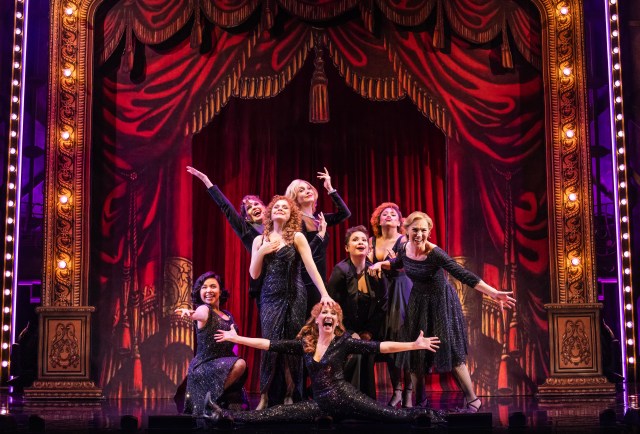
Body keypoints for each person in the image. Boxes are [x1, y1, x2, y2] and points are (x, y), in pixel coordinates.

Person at [368, 211, 516, 412]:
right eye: (415, 230)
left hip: (441, 304)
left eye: (423, 230)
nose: (419, 234)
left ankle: (473, 400)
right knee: (416, 351)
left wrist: (494, 293)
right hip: (418, 303)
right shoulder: (403, 248)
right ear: (407, 231)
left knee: (450, 349)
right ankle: (420, 405)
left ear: (429, 232)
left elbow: (463, 274)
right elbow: (397, 263)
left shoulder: (435, 253)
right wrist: (380, 263)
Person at [207, 302, 442, 425]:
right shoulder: (305, 344)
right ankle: (225, 415)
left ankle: (429, 415)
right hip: (321, 405)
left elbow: (381, 347)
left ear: (336, 320)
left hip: (347, 398)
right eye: (324, 313)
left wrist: (414, 345)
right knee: (275, 413)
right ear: (317, 319)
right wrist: (237, 338)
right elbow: (269, 343)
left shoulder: (345, 342)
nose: (328, 315)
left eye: (333, 313)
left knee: (390, 415)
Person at [250, 195, 335, 410]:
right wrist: (261, 252)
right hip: (270, 297)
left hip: (295, 295)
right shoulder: (259, 240)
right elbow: (254, 274)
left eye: (284, 208)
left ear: (290, 215)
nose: (280, 209)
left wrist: (324, 293)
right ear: (270, 213)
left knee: (294, 345)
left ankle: (291, 393)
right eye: (276, 206)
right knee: (270, 345)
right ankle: (265, 396)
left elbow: (310, 267)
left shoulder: (297, 236)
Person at [327, 225, 387, 399]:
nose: (360, 242)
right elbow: (332, 306)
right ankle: (347, 399)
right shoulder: (341, 271)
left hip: (368, 330)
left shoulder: (375, 271)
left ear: (369, 248)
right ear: (347, 248)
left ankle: (366, 401)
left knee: (367, 350)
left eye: (363, 240)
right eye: (355, 240)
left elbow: (383, 305)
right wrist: (349, 332)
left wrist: (369, 331)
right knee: (355, 351)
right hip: (342, 329)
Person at [175, 271, 248, 415]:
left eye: (213, 286)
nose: (208, 290)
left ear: (220, 291)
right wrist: (190, 313)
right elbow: (199, 314)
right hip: (206, 365)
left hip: (224, 365)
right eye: (204, 287)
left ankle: (214, 401)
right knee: (241, 364)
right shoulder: (204, 309)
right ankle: (209, 401)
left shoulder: (228, 315)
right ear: (199, 292)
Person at [187, 166, 265, 299]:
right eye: (249, 208)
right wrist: (206, 180)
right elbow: (226, 207)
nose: (254, 208)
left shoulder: (279, 225)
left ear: (265, 207)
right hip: (265, 284)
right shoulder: (246, 230)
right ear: (246, 217)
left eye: (256, 204)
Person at [285, 167, 351, 313]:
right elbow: (303, 253)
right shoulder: (297, 220)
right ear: (295, 197)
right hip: (306, 278)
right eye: (301, 190)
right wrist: (320, 235)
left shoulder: (318, 219)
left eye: (309, 188)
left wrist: (330, 189)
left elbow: (345, 214)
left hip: (319, 276)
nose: (307, 191)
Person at [368, 202, 413, 407]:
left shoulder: (404, 240)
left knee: (405, 339)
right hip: (382, 293)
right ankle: (396, 391)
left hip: (403, 290)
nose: (388, 216)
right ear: (378, 220)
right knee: (388, 341)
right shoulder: (372, 241)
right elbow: (366, 267)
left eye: (393, 214)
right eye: (384, 214)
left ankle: (409, 392)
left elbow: (411, 263)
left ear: (399, 220)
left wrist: (396, 264)